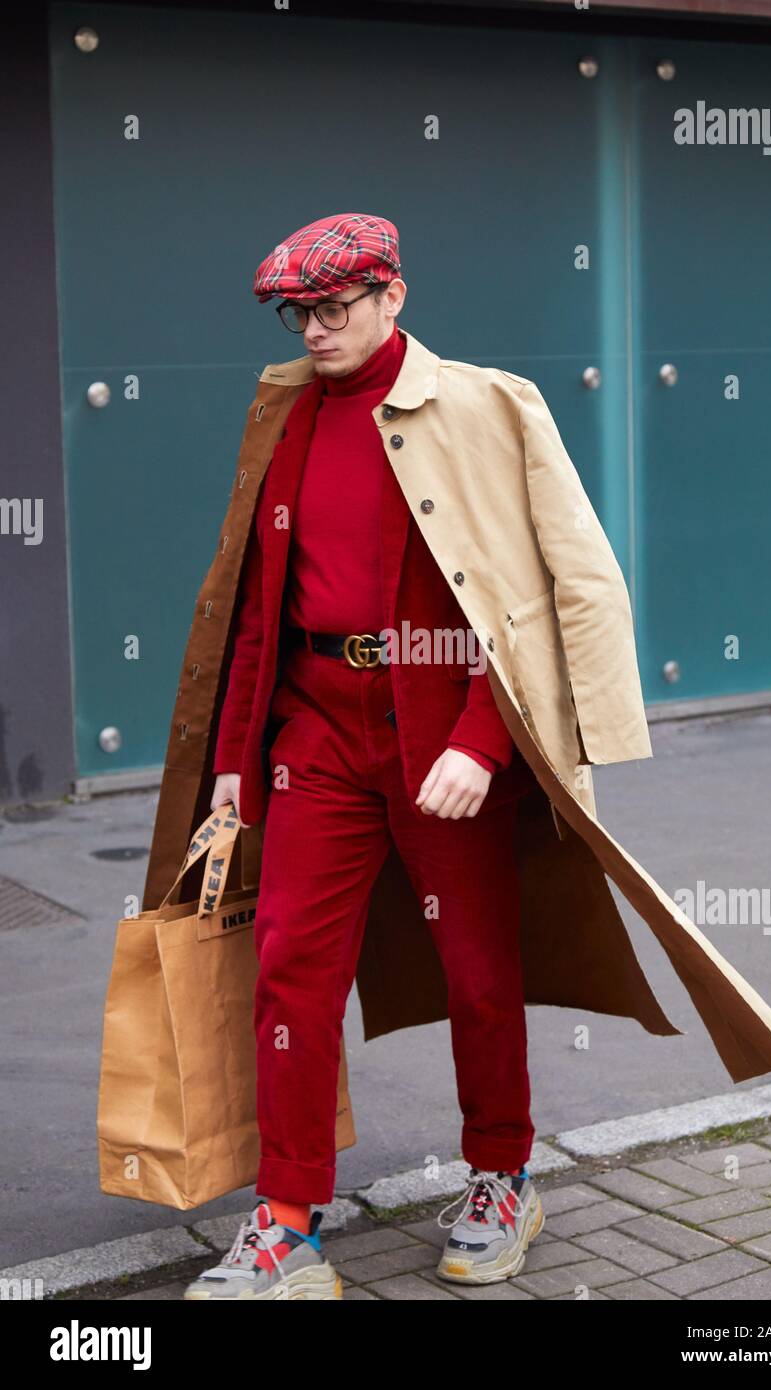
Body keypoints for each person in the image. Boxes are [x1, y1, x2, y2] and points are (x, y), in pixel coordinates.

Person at [184, 214, 544, 1301]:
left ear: (394, 294)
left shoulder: (477, 406)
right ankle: (288, 1223)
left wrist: (483, 739)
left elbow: (521, 589)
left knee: (478, 970)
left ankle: (501, 1175)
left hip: (440, 723)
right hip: (316, 732)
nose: (315, 330)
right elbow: (257, 602)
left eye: (334, 308)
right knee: (290, 971)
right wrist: (239, 760)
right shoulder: (285, 414)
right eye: (299, 313)